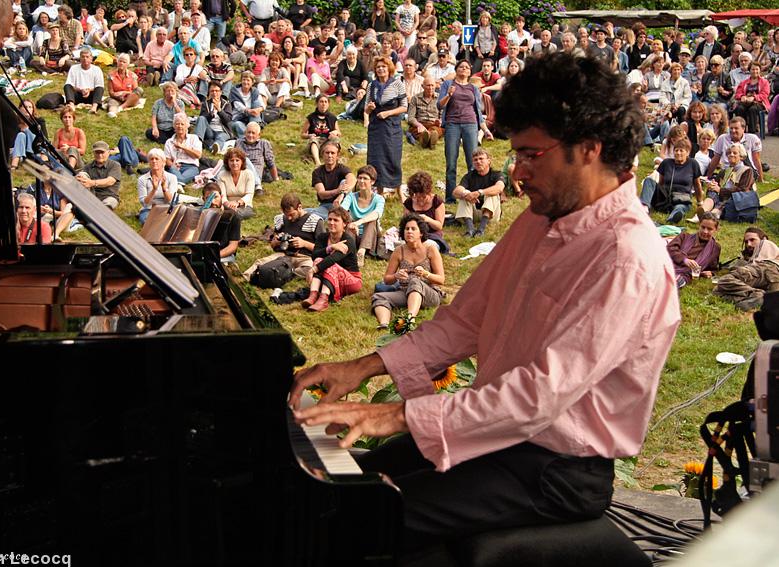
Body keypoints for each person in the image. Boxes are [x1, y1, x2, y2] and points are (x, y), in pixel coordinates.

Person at [289, 52, 679, 556]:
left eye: (531, 155)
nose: (516, 173)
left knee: (362, 517)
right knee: (342, 486)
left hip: (554, 469)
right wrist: (365, 367)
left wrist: (397, 415)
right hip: (500, 438)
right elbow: (464, 320)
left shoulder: (627, 258)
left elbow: (539, 396)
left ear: (589, 148)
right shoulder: (541, 220)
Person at [372, 213, 444, 329]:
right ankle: (383, 324)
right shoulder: (398, 251)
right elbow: (387, 279)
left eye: (413, 229)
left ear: (421, 233)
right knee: (378, 296)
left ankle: (409, 320)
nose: (409, 231)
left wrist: (426, 274)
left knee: (415, 281)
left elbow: (441, 279)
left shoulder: (430, 250)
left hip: (430, 293)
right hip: (405, 292)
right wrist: (396, 276)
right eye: (406, 229)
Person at [439, 59, 494, 204]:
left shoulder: (473, 88)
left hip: (470, 124)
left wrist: (486, 130)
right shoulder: (447, 84)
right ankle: (450, 197)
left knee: (473, 162)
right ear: (456, 70)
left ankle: (473, 196)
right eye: (461, 67)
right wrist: (449, 95)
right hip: (452, 125)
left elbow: (477, 111)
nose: (464, 69)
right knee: (451, 162)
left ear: (470, 72)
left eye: (467, 68)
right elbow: (439, 105)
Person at [301, 206, 362, 312]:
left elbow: (333, 259)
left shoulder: (348, 241)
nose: (331, 222)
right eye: (329, 219)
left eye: (336, 220)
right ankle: (313, 295)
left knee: (330, 264)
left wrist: (313, 270)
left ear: (344, 224)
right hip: (330, 276)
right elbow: (314, 255)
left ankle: (323, 300)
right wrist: (331, 247)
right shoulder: (322, 237)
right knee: (319, 259)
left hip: (351, 280)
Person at [365, 57, 407, 192]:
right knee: (376, 159)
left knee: (393, 157)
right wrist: (369, 108)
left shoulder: (397, 84)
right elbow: (366, 109)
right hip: (376, 128)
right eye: (378, 67)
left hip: (392, 127)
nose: (381, 69)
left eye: (383, 66)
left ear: (389, 68)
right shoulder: (371, 86)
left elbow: (404, 107)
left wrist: (388, 113)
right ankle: (378, 189)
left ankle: (397, 189)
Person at [640, 138, 702, 224]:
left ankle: (673, 217)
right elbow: (661, 182)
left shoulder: (693, 164)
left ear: (687, 152)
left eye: (681, 150)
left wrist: (700, 203)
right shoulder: (666, 163)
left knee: (680, 208)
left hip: (681, 199)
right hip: (665, 197)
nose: (678, 153)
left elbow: (697, 184)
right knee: (649, 181)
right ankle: (644, 208)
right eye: (676, 150)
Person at [453, 148, 505, 238]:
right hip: (473, 214)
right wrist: (466, 194)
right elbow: (456, 191)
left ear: (488, 161)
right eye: (475, 160)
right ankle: (470, 229)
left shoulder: (497, 174)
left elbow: (499, 188)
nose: (478, 162)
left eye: (481, 159)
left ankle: (481, 229)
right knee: (464, 194)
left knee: (492, 193)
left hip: (491, 215)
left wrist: (479, 192)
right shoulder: (469, 176)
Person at [341, 165, 385, 267]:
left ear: (372, 182)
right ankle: (351, 252)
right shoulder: (351, 197)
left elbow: (376, 213)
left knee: (372, 220)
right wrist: (351, 224)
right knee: (347, 220)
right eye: (359, 178)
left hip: (372, 236)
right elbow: (342, 211)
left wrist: (358, 222)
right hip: (354, 234)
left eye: (365, 178)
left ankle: (361, 252)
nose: (361, 181)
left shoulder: (379, 199)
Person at [700, 142, 756, 218]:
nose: (731, 154)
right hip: (721, 197)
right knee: (712, 191)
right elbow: (716, 184)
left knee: (726, 201)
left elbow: (743, 190)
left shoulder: (747, 170)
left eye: (735, 153)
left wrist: (720, 190)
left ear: (741, 157)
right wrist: (712, 185)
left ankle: (712, 214)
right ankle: (703, 211)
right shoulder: (725, 170)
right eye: (729, 153)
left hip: (735, 200)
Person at [667, 212, 720, 287]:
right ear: (699, 225)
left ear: (716, 230)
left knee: (672, 282)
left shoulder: (715, 248)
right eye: (703, 227)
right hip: (669, 266)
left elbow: (712, 267)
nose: (705, 231)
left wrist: (710, 273)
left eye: (709, 229)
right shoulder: (684, 236)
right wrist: (684, 260)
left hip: (684, 275)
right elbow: (670, 249)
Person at [706, 116, 763, 182]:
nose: (733, 131)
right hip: (727, 170)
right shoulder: (722, 138)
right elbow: (716, 158)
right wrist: (708, 176)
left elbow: (756, 159)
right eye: (731, 128)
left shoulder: (752, 138)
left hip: (747, 170)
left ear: (743, 128)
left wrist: (760, 179)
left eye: (736, 128)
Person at [403, 171, 447, 252]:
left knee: (426, 247)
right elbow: (405, 224)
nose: (420, 199)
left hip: (432, 236)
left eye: (423, 196)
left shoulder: (436, 201)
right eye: (416, 196)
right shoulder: (409, 203)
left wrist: (427, 219)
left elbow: (439, 226)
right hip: (413, 235)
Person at [311, 140, 355, 220]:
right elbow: (321, 194)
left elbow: (352, 179)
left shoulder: (342, 168)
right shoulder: (317, 172)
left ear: (337, 156)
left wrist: (341, 195)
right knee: (308, 213)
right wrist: (337, 191)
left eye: (332, 153)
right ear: (322, 155)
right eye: (327, 153)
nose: (330, 155)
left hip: (343, 204)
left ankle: (340, 216)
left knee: (344, 181)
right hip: (325, 205)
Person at [137, 148, 179, 224]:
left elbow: (171, 200)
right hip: (149, 209)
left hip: (166, 208)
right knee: (146, 221)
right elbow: (144, 203)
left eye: (157, 159)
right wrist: (154, 189)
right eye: (151, 159)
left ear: (163, 162)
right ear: (149, 162)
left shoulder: (172, 178)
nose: (154, 161)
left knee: (170, 222)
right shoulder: (142, 179)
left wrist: (164, 188)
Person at [76, 141, 121, 210]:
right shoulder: (88, 167)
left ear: (108, 152)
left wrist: (91, 183)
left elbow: (110, 181)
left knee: (109, 204)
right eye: (97, 152)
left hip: (109, 196)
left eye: (102, 152)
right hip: (91, 196)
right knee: (82, 175)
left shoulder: (115, 165)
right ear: (94, 153)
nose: (100, 155)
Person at [236, 121, 276, 194]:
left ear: (259, 135)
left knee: (245, 159)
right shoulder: (238, 142)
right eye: (248, 132)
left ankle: (257, 185)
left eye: (253, 133)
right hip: (238, 174)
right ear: (245, 133)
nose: (250, 135)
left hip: (254, 177)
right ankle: (214, 180)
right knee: (225, 161)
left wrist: (276, 179)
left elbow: (270, 163)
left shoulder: (263, 143)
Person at [732, 62, 770, 137]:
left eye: (757, 69)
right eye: (753, 69)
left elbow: (765, 94)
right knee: (739, 108)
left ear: (760, 70)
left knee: (752, 109)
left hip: (759, 103)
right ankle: (741, 131)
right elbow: (738, 93)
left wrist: (754, 98)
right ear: (749, 70)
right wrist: (742, 96)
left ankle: (751, 134)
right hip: (745, 102)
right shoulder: (744, 82)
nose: (755, 71)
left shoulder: (764, 82)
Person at [164, 113, 203, 185]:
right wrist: (172, 165)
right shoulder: (169, 142)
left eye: (182, 124)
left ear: (187, 126)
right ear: (174, 126)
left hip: (191, 166)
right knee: (172, 170)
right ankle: (179, 183)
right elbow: (167, 159)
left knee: (182, 178)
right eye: (177, 124)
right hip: (175, 166)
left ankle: (178, 182)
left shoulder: (194, 138)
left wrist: (182, 147)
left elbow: (198, 155)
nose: (180, 126)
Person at [217, 147, 256, 219]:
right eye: (231, 160)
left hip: (244, 205)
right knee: (228, 212)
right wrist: (227, 204)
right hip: (227, 205)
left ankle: (229, 215)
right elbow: (222, 196)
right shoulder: (221, 175)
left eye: (237, 160)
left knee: (238, 213)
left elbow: (249, 195)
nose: (234, 163)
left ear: (242, 162)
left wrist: (237, 203)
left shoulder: (249, 174)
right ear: (227, 162)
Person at [302, 95, 341, 166]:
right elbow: (302, 135)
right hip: (315, 143)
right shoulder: (311, 117)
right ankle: (317, 162)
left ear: (328, 104)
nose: (323, 104)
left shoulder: (332, 117)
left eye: (326, 102)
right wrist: (309, 135)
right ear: (317, 104)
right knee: (313, 140)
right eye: (321, 102)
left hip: (327, 143)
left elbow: (339, 133)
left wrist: (335, 132)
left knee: (336, 139)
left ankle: (334, 160)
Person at [195, 81, 233, 153]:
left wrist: (219, 110)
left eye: (217, 91)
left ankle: (215, 147)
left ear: (221, 92)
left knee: (220, 137)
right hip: (210, 131)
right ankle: (197, 143)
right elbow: (202, 121)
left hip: (222, 131)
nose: (214, 93)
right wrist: (210, 114)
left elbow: (228, 120)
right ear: (209, 92)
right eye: (212, 91)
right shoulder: (205, 104)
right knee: (201, 118)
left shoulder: (227, 104)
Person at [64, 48, 105, 114]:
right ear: (80, 58)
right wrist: (81, 90)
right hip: (78, 94)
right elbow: (70, 85)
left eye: (87, 57)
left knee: (100, 88)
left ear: (91, 58)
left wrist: (89, 90)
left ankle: (94, 107)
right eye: (83, 57)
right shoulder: (74, 68)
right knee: (67, 86)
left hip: (91, 95)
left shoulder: (97, 69)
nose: (85, 59)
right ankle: (71, 105)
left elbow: (99, 86)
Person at [407, 76, 442, 149]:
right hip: (420, 123)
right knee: (417, 131)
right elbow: (410, 117)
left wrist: (440, 121)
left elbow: (443, 115)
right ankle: (425, 139)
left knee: (435, 130)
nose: (430, 88)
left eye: (432, 85)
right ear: (422, 86)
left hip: (434, 124)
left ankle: (430, 138)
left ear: (435, 86)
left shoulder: (440, 98)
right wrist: (419, 125)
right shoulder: (415, 98)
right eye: (428, 85)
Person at [106, 53, 143, 117]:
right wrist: (116, 94)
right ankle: (112, 113)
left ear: (128, 64)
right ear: (117, 62)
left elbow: (135, 91)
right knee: (112, 103)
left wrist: (125, 93)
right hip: (116, 98)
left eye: (124, 62)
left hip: (129, 98)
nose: (121, 63)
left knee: (139, 90)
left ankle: (121, 107)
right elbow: (111, 92)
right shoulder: (111, 75)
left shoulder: (133, 75)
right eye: (120, 61)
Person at [229, 72, 264, 137]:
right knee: (237, 124)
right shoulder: (234, 91)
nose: (245, 82)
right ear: (241, 81)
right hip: (238, 117)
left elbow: (262, 104)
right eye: (244, 79)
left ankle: (254, 129)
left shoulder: (255, 91)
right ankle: (248, 138)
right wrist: (249, 111)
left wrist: (259, 109)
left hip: (252, 116)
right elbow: (237, 105)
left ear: (252, 82)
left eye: (248, 80)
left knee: (256, 103)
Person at [54, 105, 86, 171]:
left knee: (73, 149)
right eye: (65, 117)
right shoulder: (58, 132)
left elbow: (82, 151)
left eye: (69, 117)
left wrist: (69, 149)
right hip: (63, 159)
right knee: (59, 154)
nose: (67, 119)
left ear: (73, 119)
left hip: (77, 163)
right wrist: (61, 150)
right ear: (62, 119)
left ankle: (69, 170)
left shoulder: (79, 132)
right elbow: (54, 150)